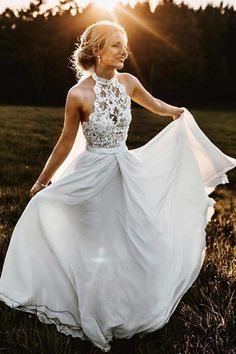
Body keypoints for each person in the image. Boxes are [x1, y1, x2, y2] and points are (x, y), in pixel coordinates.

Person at [0, 20, 235, 353]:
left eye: (125, 44)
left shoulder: (128, 82)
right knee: (86, 236)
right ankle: (84, 302)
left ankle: (129, 301)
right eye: (116, 45)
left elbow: (154, 104)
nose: (125, 51)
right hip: (92, 174)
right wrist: (41, 181)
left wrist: (176, 113)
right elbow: (66, 142)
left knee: (131, 237)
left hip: (124, 169)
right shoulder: (78, 94)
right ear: (97, 49)